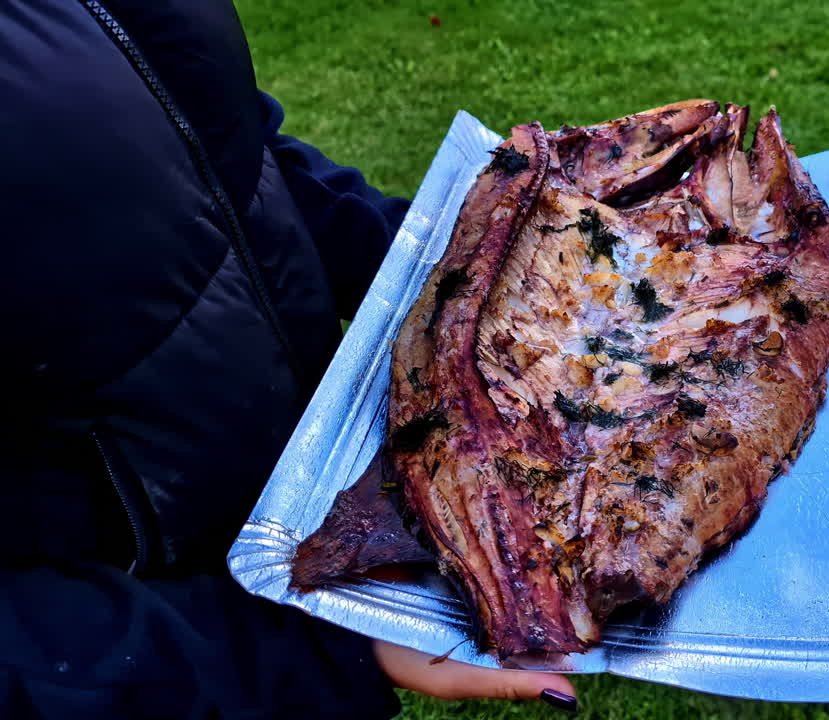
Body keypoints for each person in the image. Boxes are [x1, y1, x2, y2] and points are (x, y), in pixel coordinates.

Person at [0, 1, 577, 717]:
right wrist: (280, 653)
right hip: (161, 658)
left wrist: (459, 272)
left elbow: (219, 152)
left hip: (331, 524)